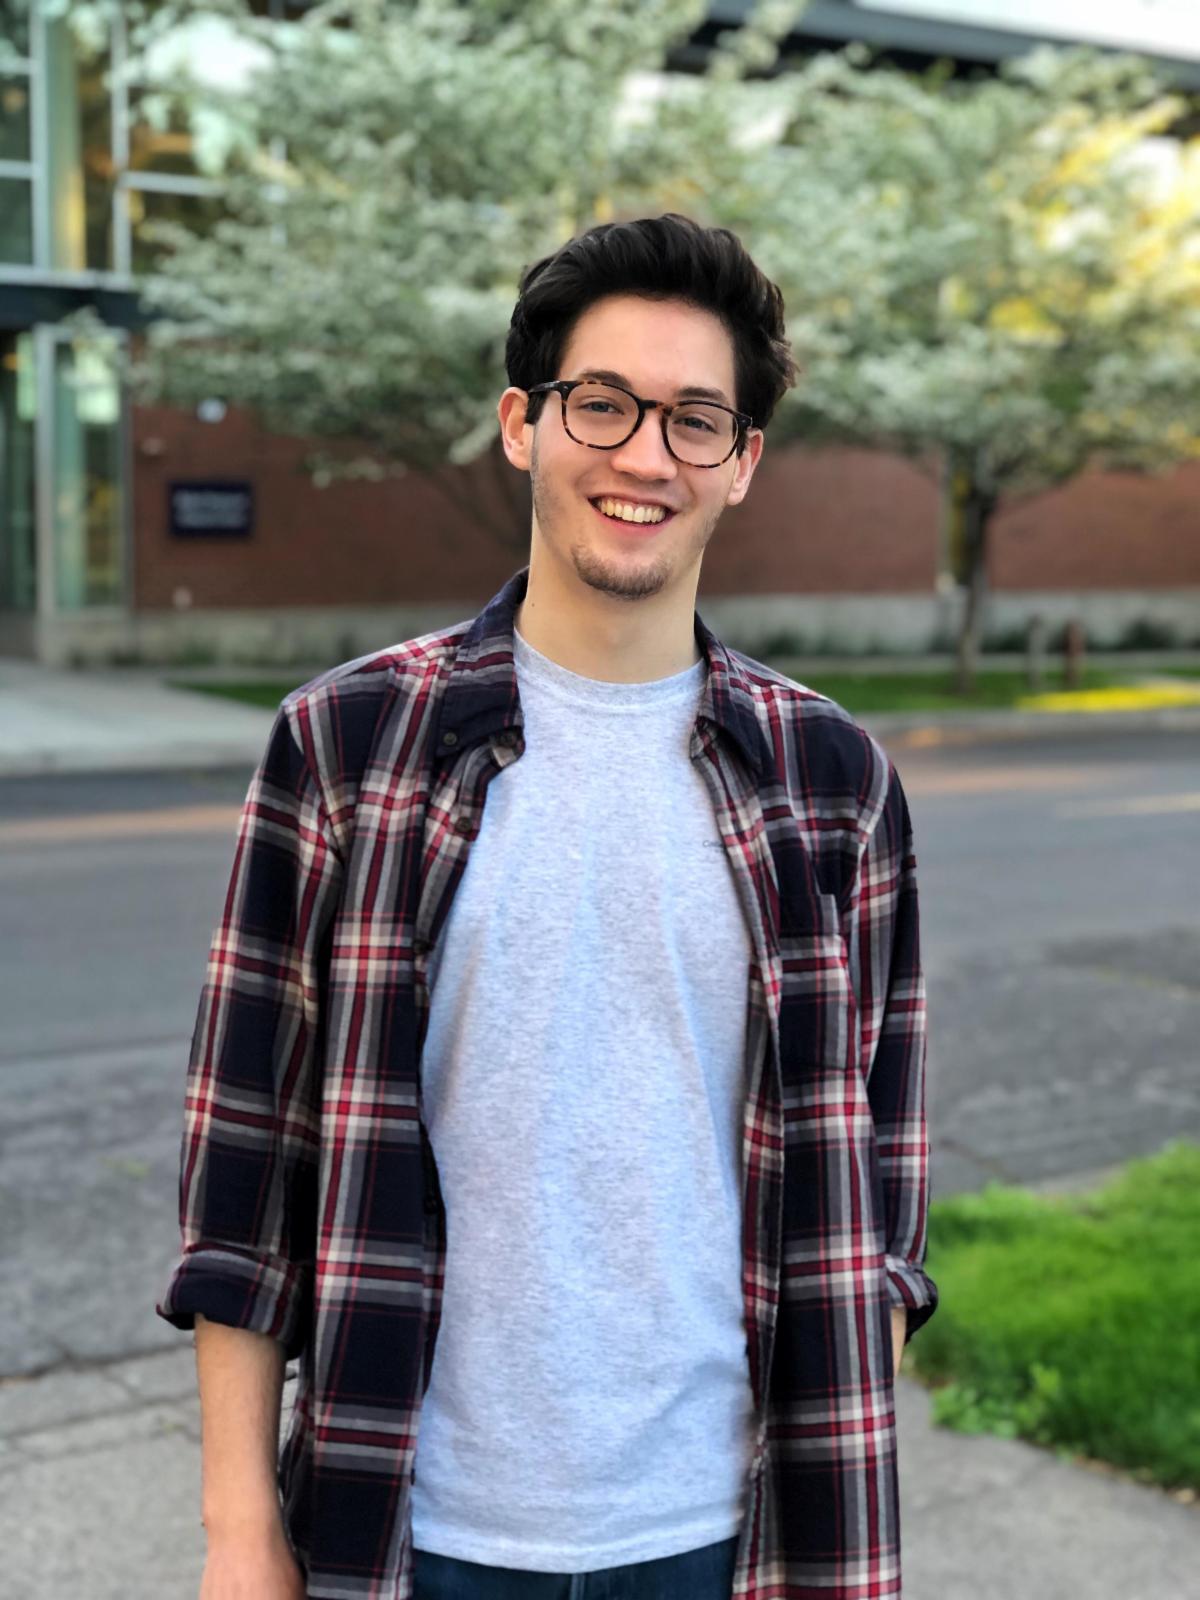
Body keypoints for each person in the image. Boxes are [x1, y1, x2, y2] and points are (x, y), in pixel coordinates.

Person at [157, 212, 938, 1600]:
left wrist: (842, 1476)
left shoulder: (834, 784)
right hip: (409, 1523)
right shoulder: (345, 748)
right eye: (603, 403)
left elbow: (879, 1197)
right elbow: (245, 1171)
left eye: (697, 419)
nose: (646, 455)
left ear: (742, 463)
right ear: (523, 424)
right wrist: (239, 1531)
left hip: (727, 1532)